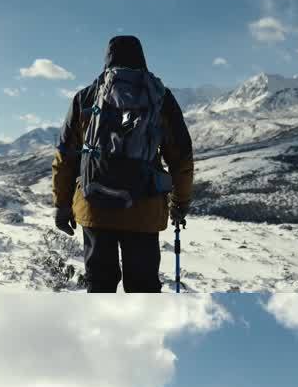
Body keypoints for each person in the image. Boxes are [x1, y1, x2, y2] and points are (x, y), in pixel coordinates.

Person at [52, 35, 196, 293]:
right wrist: (180, 203)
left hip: (95, 207)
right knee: (143, 289)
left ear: (106, 59)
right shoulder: (160, 98)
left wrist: (62, 205)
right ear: (142, 59)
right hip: (144, 208)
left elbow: (65, 157)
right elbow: (181, 157)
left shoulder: (86, 98)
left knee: (100, 285)